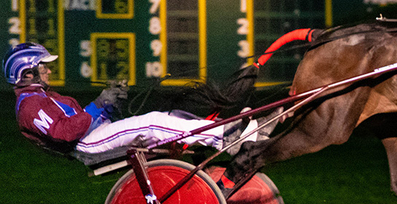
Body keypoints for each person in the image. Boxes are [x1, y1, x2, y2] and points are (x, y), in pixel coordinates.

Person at [3, 43, 260, 161]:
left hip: (91, 136)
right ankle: (222, 138)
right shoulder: (30, 106)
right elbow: (65, 133)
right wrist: (99, 103)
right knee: (151, 122)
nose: (48, 71)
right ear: (27, 73)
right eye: (43, 67)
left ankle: (238, 132)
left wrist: (110, 105)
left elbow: (82, 121)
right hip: (85, 145)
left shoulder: (45, 97)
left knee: (174, 115)